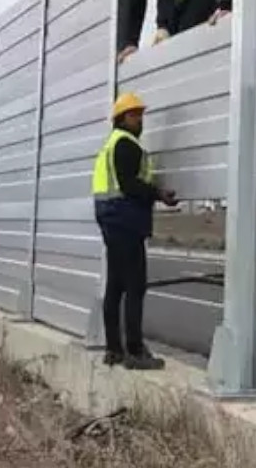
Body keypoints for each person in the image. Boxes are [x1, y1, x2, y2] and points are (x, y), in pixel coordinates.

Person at [91, 92, 178, 369]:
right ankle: (135, 351)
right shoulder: (126, 145)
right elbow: (129, 184)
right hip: (124, 219)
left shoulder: (111, 144)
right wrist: (159, 193)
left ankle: (114, 349)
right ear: (122, 118)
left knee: (115, 285)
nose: (140, 120)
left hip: (111, 219)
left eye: (140, 114)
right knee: (135, 286)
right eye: (134, 115)